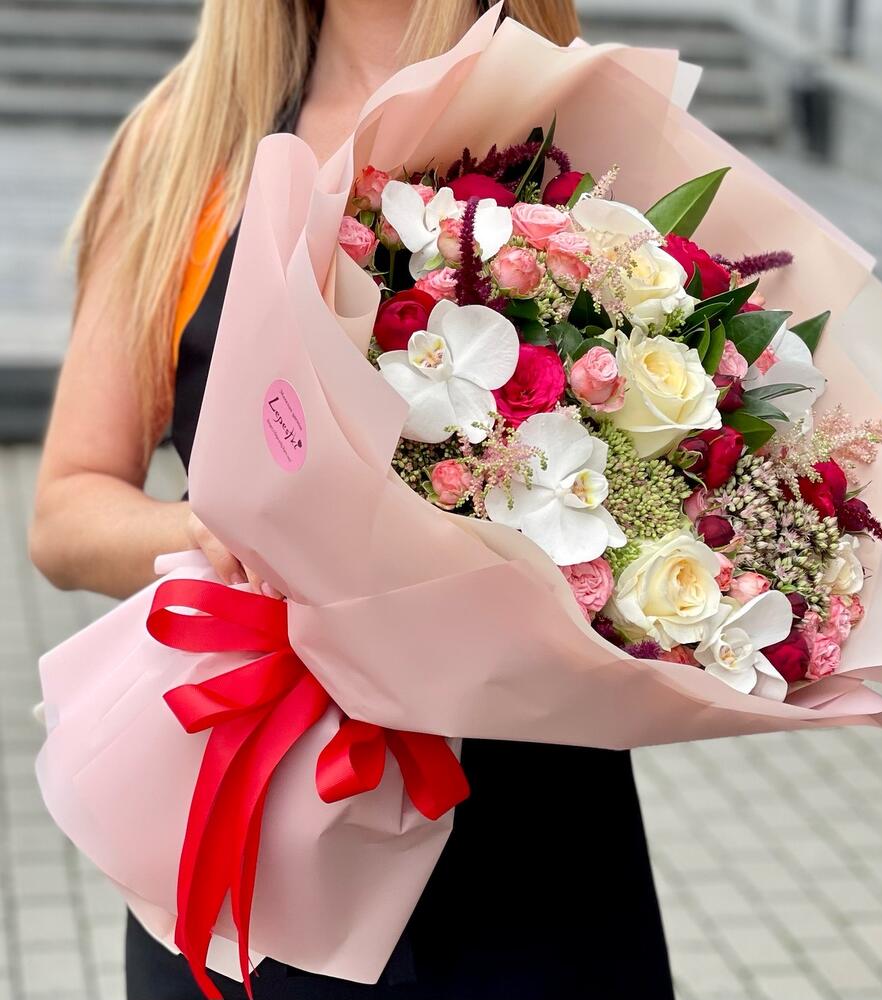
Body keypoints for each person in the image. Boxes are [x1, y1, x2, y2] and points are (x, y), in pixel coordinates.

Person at [30, 1, 674, 996]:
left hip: (533, 839)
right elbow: (67, 509)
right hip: (260, 821)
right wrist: (211, 534)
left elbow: (680, 460)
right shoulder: (191, 144)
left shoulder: (587, 128)